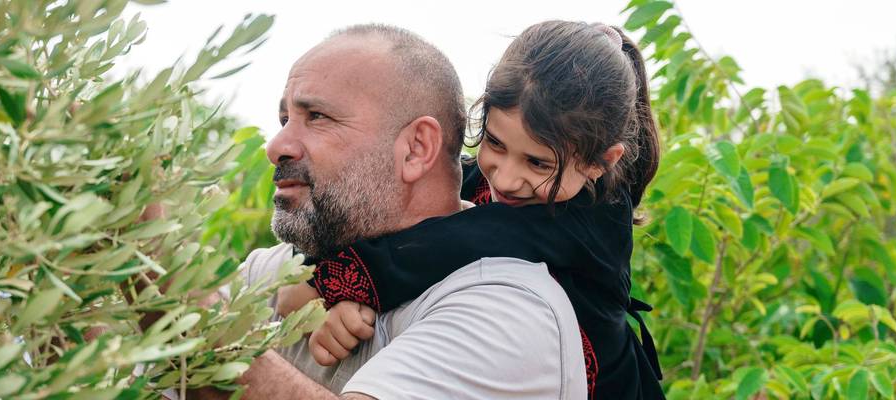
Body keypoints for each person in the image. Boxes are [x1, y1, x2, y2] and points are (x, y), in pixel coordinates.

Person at [197, 24, 587, 399]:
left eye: (317, 116)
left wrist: (194, 327)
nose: (275, 145)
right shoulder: (269, 270)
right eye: (285, 120)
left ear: (417, 148)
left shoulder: (509, 308)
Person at [280, 20, 665, 399]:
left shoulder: (595, 219)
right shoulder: (485, 178)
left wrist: (325, 284)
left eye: (538, 164)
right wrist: (327, 275)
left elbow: (456, 240)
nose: (507, 179)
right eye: (495, 143)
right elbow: (366, 205)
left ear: (600, 162)